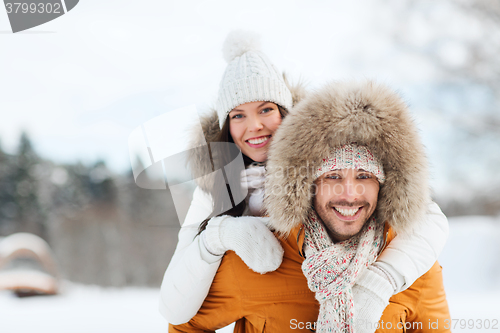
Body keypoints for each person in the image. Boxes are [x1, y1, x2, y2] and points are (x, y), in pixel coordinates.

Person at [160, 32, 449, 331]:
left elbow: (428, 218)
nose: (255, 125)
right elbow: (177, 309)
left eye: (266, 109)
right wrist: (218, 235)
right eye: (238, 116)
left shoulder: (331, 144)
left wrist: (378, 282)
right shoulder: (215, 191)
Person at [264, 80, 451, 332]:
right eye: (332, 176)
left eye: (364, 176)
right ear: (308, 186)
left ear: (385, 187)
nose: (350, 195)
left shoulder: (416, 271)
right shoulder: (265, 260)